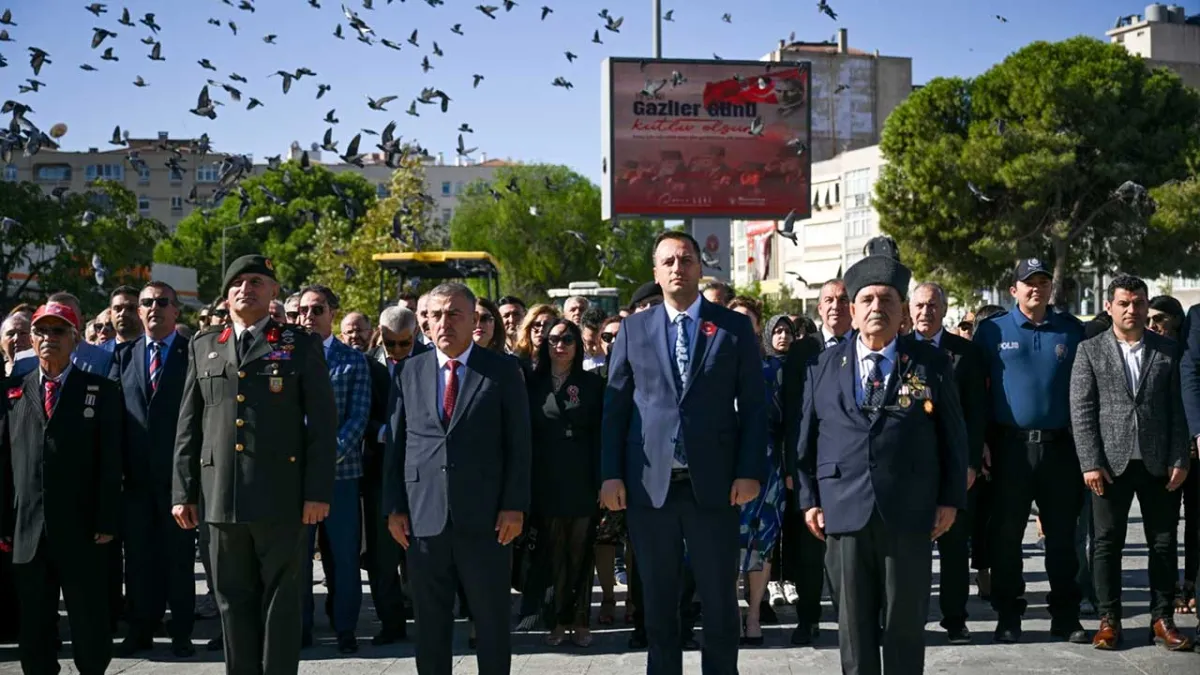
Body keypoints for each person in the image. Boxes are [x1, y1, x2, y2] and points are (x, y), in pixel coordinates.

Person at [793, 252, 968, 675]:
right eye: (867, 299)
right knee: (853, 627)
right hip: (844, 509)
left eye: (888, 299)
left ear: (903, 311)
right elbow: (806, 440)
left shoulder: (931, 363)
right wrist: (809, 498)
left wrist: (950, 499)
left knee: (905, 624)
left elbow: (954, 437)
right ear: (851, 311)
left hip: (908, 511)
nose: (877, 308)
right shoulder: (821, 367)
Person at [600, 231, 766, 675]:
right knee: (658, 602)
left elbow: (754, 406)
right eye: (668, 261)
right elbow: (615, 409)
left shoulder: (731, 328)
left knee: (717, 601)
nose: (678, 267)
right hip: (649, 488)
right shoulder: (634, 330)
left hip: (714, 488)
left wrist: (750, 470)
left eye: (686, 259)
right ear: (655, 272)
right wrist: (610, 475)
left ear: (700, 266)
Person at [172, 254, 338, 675]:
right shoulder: (203, 344)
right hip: (220, 497)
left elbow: (322, 423)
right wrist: (183, 491)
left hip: (281, 496)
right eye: (238, 283)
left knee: (282, 599)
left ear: (274, 292)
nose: (247, 288)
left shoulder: (299, 344)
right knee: (231, 599)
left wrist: (317, 492)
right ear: (226, 296)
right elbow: (190, 423)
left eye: (258, 282)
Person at [383, 282, 532, 675]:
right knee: (430, 624)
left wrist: (514, 504)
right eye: (434, 315)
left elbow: (520, 444)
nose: (443, 323)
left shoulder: (501, 370)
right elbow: (397, 445)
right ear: (424, 322)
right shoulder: (407, 371)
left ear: (473, 320)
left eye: (454, 314)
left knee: (492, 620)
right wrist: (394, 506)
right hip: (424, 516)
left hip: (487, 519)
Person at [1069, 274, 1192, 651]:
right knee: (1106, 544)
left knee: (1163, 542)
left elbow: (1178, 411)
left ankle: (1162, 619)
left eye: (1138, 302)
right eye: (1123, 303)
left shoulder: (1168, 350)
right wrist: (1090, 461)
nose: (1132, 310)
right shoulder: (1090, 350)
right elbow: (1083, 408)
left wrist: (1179, 458)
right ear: (1109, 307)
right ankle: (1110, 620)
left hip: (1158, 464)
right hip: (1109, 464)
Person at [0, 302, 122, 675]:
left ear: (74, 339)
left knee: (89, 623)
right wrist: (5, 523)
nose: (48, 339)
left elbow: (111, 461)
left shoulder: (100, 390)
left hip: (84, 530)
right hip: (28, 530)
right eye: (41, 331)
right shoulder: (12, 393)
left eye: (58, 331)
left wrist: (106, 518)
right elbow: (4, 463)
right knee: (34, 628)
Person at [973, 258, 1089, 644]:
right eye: (1028, 283)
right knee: (1006, 536)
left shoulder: (1072, 331)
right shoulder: (991, 331)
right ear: (1014, 290)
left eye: (1042, 282)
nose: (1036, 288)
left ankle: (1066, 615)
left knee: (1061, 536)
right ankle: (1008, 614)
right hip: (1010, 451)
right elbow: (977, 393)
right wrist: (981, 445)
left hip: (1060, 450)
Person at [111, 281, 197, 658]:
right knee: (140, 561)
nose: (153, 308)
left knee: (178, 561)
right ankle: (141, 629)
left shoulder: (191, 352)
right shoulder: (124, 355)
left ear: (176, 310)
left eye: (163, 302)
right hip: (136, 480)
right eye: (146, 303)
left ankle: (181, 632)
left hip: (179, 480)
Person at [910, 281, 988, 644]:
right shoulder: (899, 350)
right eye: (920, 306)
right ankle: (910, 618)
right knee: (911, 548)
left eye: (932, 306)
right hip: (911, 468)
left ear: (943, 310)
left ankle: (955, 618)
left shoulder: (964, 354)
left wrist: (971, 462)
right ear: (911, 310)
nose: (926, 312)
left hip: (954, 464)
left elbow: (976, 413)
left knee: (955, 545)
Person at [296, 285, 371, 653]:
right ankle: (301, 627)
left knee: (342, 556)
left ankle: (345, 627)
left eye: (317, 310)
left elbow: (358, 418)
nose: (308, 318)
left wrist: (325, 458)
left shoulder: (352, 360)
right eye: (302, 311)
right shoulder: (285, 356)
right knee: (296, 560)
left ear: (333, 313)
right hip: (294, 477)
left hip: (340, 475)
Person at [525, 319, 605, 647]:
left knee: (581, 553)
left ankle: (581, 621)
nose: (561, 345)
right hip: (546, 479)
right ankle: (557, 620)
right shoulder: (532, 383)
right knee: (553, 553)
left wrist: (604, 481)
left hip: (583, 478)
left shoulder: (593, 384)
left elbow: (602, 435)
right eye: (554, 339)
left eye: (568, 339)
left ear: (578, 345)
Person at [738, 313, 793, 646]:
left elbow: (790, 419)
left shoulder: (776, 370)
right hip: (727, 468)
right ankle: (731, 614)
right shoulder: (721, 367)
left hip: (769, 466)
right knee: (729, 544)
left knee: (763, 542)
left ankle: (755, 614)